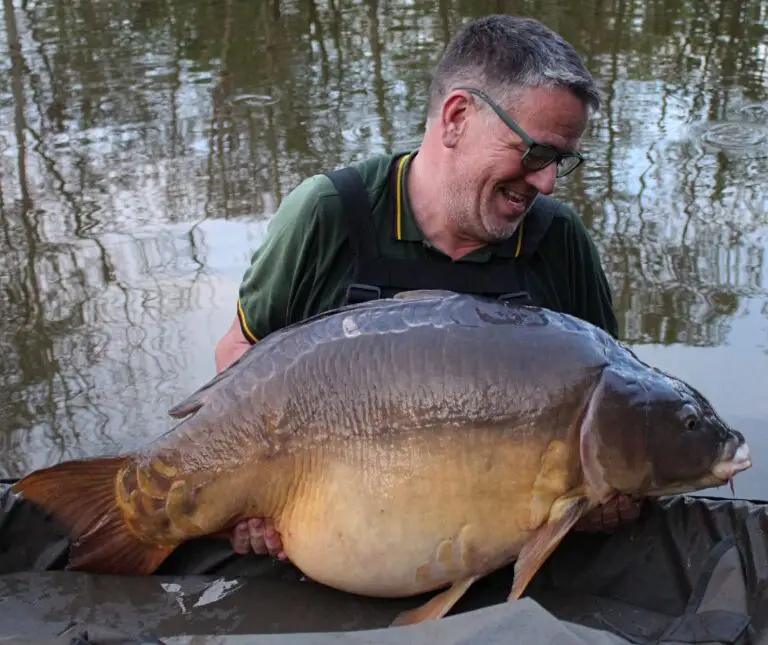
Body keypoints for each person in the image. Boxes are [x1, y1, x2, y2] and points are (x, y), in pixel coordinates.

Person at [214, 14, 641, 561]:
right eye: (535, 153)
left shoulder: (559, 240)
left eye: (562, 161)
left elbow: (614, 396)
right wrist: (250, 493)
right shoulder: (329, 214)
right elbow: (240, 352)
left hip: (502, 551)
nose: (547, 182)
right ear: (457, 117)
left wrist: (607, 492)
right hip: (334, 538)